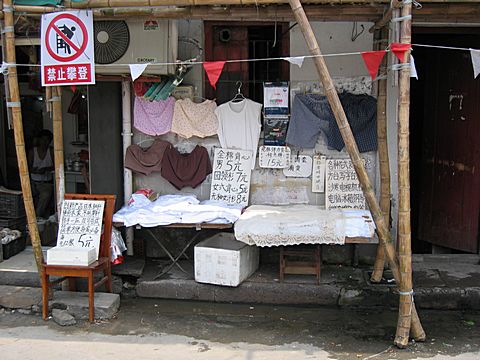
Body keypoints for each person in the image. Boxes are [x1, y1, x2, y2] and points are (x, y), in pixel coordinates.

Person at [28, 130, 54, 218]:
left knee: (45, 195)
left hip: (46, 183)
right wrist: (34, 170)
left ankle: (36, 217)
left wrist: (46, 169)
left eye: (47, 140)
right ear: (39, 140)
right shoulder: (32, 152)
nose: (44, 142)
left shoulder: (51, 151)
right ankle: (29, 215)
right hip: (33, 182)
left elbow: (57, 166)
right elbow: (27, 168)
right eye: (43, 140)